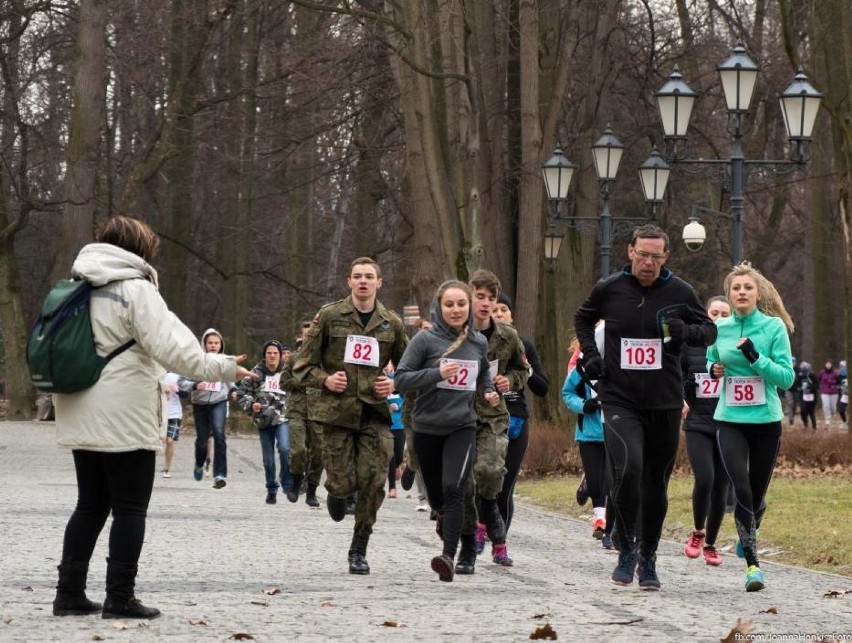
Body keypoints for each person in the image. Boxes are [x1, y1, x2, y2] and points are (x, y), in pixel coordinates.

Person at [52, 216, 255, 619]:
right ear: (140, 251)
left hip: (78, 405)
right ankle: (120, 596)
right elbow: (178, 351)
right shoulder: (135, 290)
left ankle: (68, 593)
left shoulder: (76, 286)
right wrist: (227, 366)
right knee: (130, 508)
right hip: (124, 414)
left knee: (90, 505)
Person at [574, 224, 717, 590]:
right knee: (630, 467)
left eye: (656, 256)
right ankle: (626, 550)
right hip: (619, 398)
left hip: (664, 401)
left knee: (655, 484)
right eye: (643, 255)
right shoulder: (610, 288)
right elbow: (583, 318)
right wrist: (591, 355)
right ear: (630, 252)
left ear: (665, 257)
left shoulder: (680, 291)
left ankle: (648, 558)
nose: (648, 263)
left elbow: (709, 330)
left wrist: (685, 333)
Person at [292, 257, 408, 575]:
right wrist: (325, 379)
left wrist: (394, 381)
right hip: (336, 412)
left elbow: (409, 366)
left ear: (379, 283)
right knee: (343, 483)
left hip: (374, 412)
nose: (363, 282)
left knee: (374, 481)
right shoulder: (330, 316)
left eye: (369, 277)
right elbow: (301, 365)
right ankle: (337, 491)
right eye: (357, 276)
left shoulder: (391, 323)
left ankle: (359, 548)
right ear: (349, 281)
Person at [395, 280, 500, 581]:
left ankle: (449, 556)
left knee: (456, 488)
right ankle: (451, 525)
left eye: (461, 304)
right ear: (439, 308)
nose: (456, 310)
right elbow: (401, 379)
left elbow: (482, 377)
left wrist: (489, 392)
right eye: (449, 305)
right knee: (440, 499)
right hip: (426, 428)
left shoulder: (478, 341)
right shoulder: (424, 341)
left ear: (469, 307)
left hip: (462, 426)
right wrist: (436, 374)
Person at [706, 262, 795, 591]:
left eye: (747, 288)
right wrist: (714, 368)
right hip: (729, 419)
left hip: (765, 422)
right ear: (729, 295)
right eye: (736, 288)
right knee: (740, 490)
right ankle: (753, 567)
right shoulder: (721, 328)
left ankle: (751, 523)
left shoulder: (773, 328)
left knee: (755, 497)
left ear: (758, 294)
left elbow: (786, 378)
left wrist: (756, 357)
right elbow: (711, 358)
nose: (741, 292)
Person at [466, 269, 530, 567]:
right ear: (469, 296)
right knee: (461, 482)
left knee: (491, 473)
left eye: (491, 298)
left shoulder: (507, 336)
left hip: (492, 415)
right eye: (479, 296)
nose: (485, 303)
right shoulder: (455, 331)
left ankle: (493, 533)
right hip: (456, 414)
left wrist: (508, 382)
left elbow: (523, 370)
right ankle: (467, 530)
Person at [492, 293, 549, 550]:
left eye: (504, 309)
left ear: (511, 315)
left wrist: (527, 367)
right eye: (494, 309)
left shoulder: (524, 345)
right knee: (484, 482)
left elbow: (542, 388)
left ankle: (499, 541)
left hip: (516, 419)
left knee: (505, 487)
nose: (499, 313)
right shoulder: (477, 343)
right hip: (485, 420)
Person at [681, 296, 732, 567]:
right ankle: (697, 532)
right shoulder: (692, 345)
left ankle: (711, 544)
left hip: (727, 423)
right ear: (706, 315)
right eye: (715, 312)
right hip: (698, 422)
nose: (719, 318)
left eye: (725, 313)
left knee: (722, 485)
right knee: (705, 478)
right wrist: (682, 398)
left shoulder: (734, 346)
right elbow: (674, 374)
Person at [562, 332, 611, 547]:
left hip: (616, 430)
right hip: (589, 431)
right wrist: (584, 405)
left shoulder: (621, 364)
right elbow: (567, 393)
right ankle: (599, 519)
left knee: (612, 479)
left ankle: (610, 527)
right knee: (595, 479)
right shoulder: (582, 365)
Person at [178, 329, 237, 489]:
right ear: (204, 344)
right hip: (201, 404)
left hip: (219, 401)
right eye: (210, 343)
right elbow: (181, 381)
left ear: (221, 345)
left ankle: (219, 474)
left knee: (219, 433)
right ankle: (199, 463)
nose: (213, 346)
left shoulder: (225, 361)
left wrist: (233, 391)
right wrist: (195, 385)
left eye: (216, 343)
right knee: (203, 441)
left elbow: (231, 380)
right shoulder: (196, 360)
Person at [236, 340, 292, 504]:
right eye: (269, 353)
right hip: (264, 420)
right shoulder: (256, 373)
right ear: (264, 355)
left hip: (283, 417)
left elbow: (298, 389)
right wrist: (251, 404)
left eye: (275, 353)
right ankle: (271, 488)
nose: (272, 356)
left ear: (281, 355)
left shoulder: (288, 372)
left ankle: (287, 482)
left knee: (284, 448)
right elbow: (240, 392)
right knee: (268, 460)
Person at [283, 324, 324, 507]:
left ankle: (312, 490)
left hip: (319, 412)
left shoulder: (325, 359)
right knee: (298, 450)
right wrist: (301, 383)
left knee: (319, 454)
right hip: (297, 410)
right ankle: (297, 481)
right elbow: (284, 382)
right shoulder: (293, 358)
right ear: (302, 336)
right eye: (307, 335)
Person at [385, 364, 406, 499]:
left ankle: (400, 465)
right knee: (390, 456)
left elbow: (408, 397)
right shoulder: (380, 379)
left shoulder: (400, 379)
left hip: (399, 424)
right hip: (386, 424)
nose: (387, 366)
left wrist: (398, 405)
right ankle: (392, 488)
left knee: (398, 455)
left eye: (389, 363)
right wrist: (387, 406)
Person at [161, 372, 186, 478]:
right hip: (159, 412)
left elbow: (186, 394)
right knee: (157, 441)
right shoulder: (158, 374)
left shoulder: (179, 376)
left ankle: (167, 469)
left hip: (174, 413)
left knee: (169, 441)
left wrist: (178, 391)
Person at [817, 360, 841, 426]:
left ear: (831, 365)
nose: (828, 365)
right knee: (826, 405)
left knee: (833, 407)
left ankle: (832, 415)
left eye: (829, 364)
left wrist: (835, 383)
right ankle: (827, 419)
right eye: (827, 364)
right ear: (825, 365)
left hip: (834, 392)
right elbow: (817, 380)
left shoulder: (835, 372)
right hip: (824, 392)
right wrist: (819, 386)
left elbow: (839, 380)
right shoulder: (822, 372)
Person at [795, 362, 819, 429]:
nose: (804, 371)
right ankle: (805, 423)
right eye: (803, 369)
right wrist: (799, 388)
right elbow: (796, 386)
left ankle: (814, 426)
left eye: (805, 369)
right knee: (803, 411)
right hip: (803, 396)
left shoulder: (812, 376)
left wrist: (810, 386)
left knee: (811, 411)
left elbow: (817, 385)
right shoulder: (799, 376)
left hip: (812, 396)